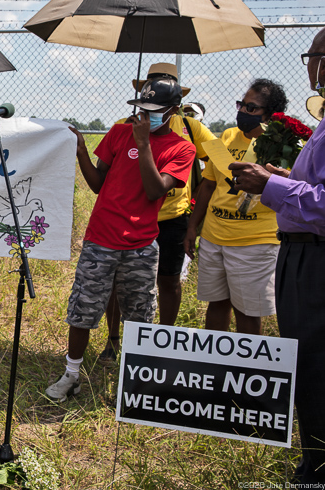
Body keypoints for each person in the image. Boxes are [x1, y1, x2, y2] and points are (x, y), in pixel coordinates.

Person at [46, 77, 195, 401]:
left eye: (155, 111)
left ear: (174, 110)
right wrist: (82, 152)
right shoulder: (117, 133)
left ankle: (139, 381)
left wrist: (143, 146)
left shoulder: (182, 148)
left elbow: (156, 189)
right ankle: (72, 375)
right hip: (101, 237)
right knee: (83, 309)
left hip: (141, 245)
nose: (147, 116)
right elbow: (98, 183)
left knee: (140, 314)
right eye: (143, 109)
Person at [229, 28, 325, 484]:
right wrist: (283, 178)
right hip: (300, 254)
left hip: (315, 259)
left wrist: (271, 185)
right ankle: (312, 460)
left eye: (315, 55)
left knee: (315, 367)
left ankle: (318, 470)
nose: (311, 64)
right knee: (307, 364)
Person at [100, 64, 216, 364]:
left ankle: (163, 342)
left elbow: (219, 159)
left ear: (175, 102)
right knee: (117, 282)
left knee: (168, 280)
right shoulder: (124, 126)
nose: (154, 95)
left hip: (172, 218)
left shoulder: (191, 129)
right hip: (130, 220)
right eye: (150, 86)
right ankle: (113, 340)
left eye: (163, 88)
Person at [183, 79, 287, 336]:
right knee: (216, 304)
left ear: (270, 115)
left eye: (251, 108)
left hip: (254, 242)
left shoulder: (282, 147)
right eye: (241, 104)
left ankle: (243, 370)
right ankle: (215, 365)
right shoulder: (228, 136)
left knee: (247, 311)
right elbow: (208, 186)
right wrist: (193, 227)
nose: (242, 112)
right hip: (214, 237)